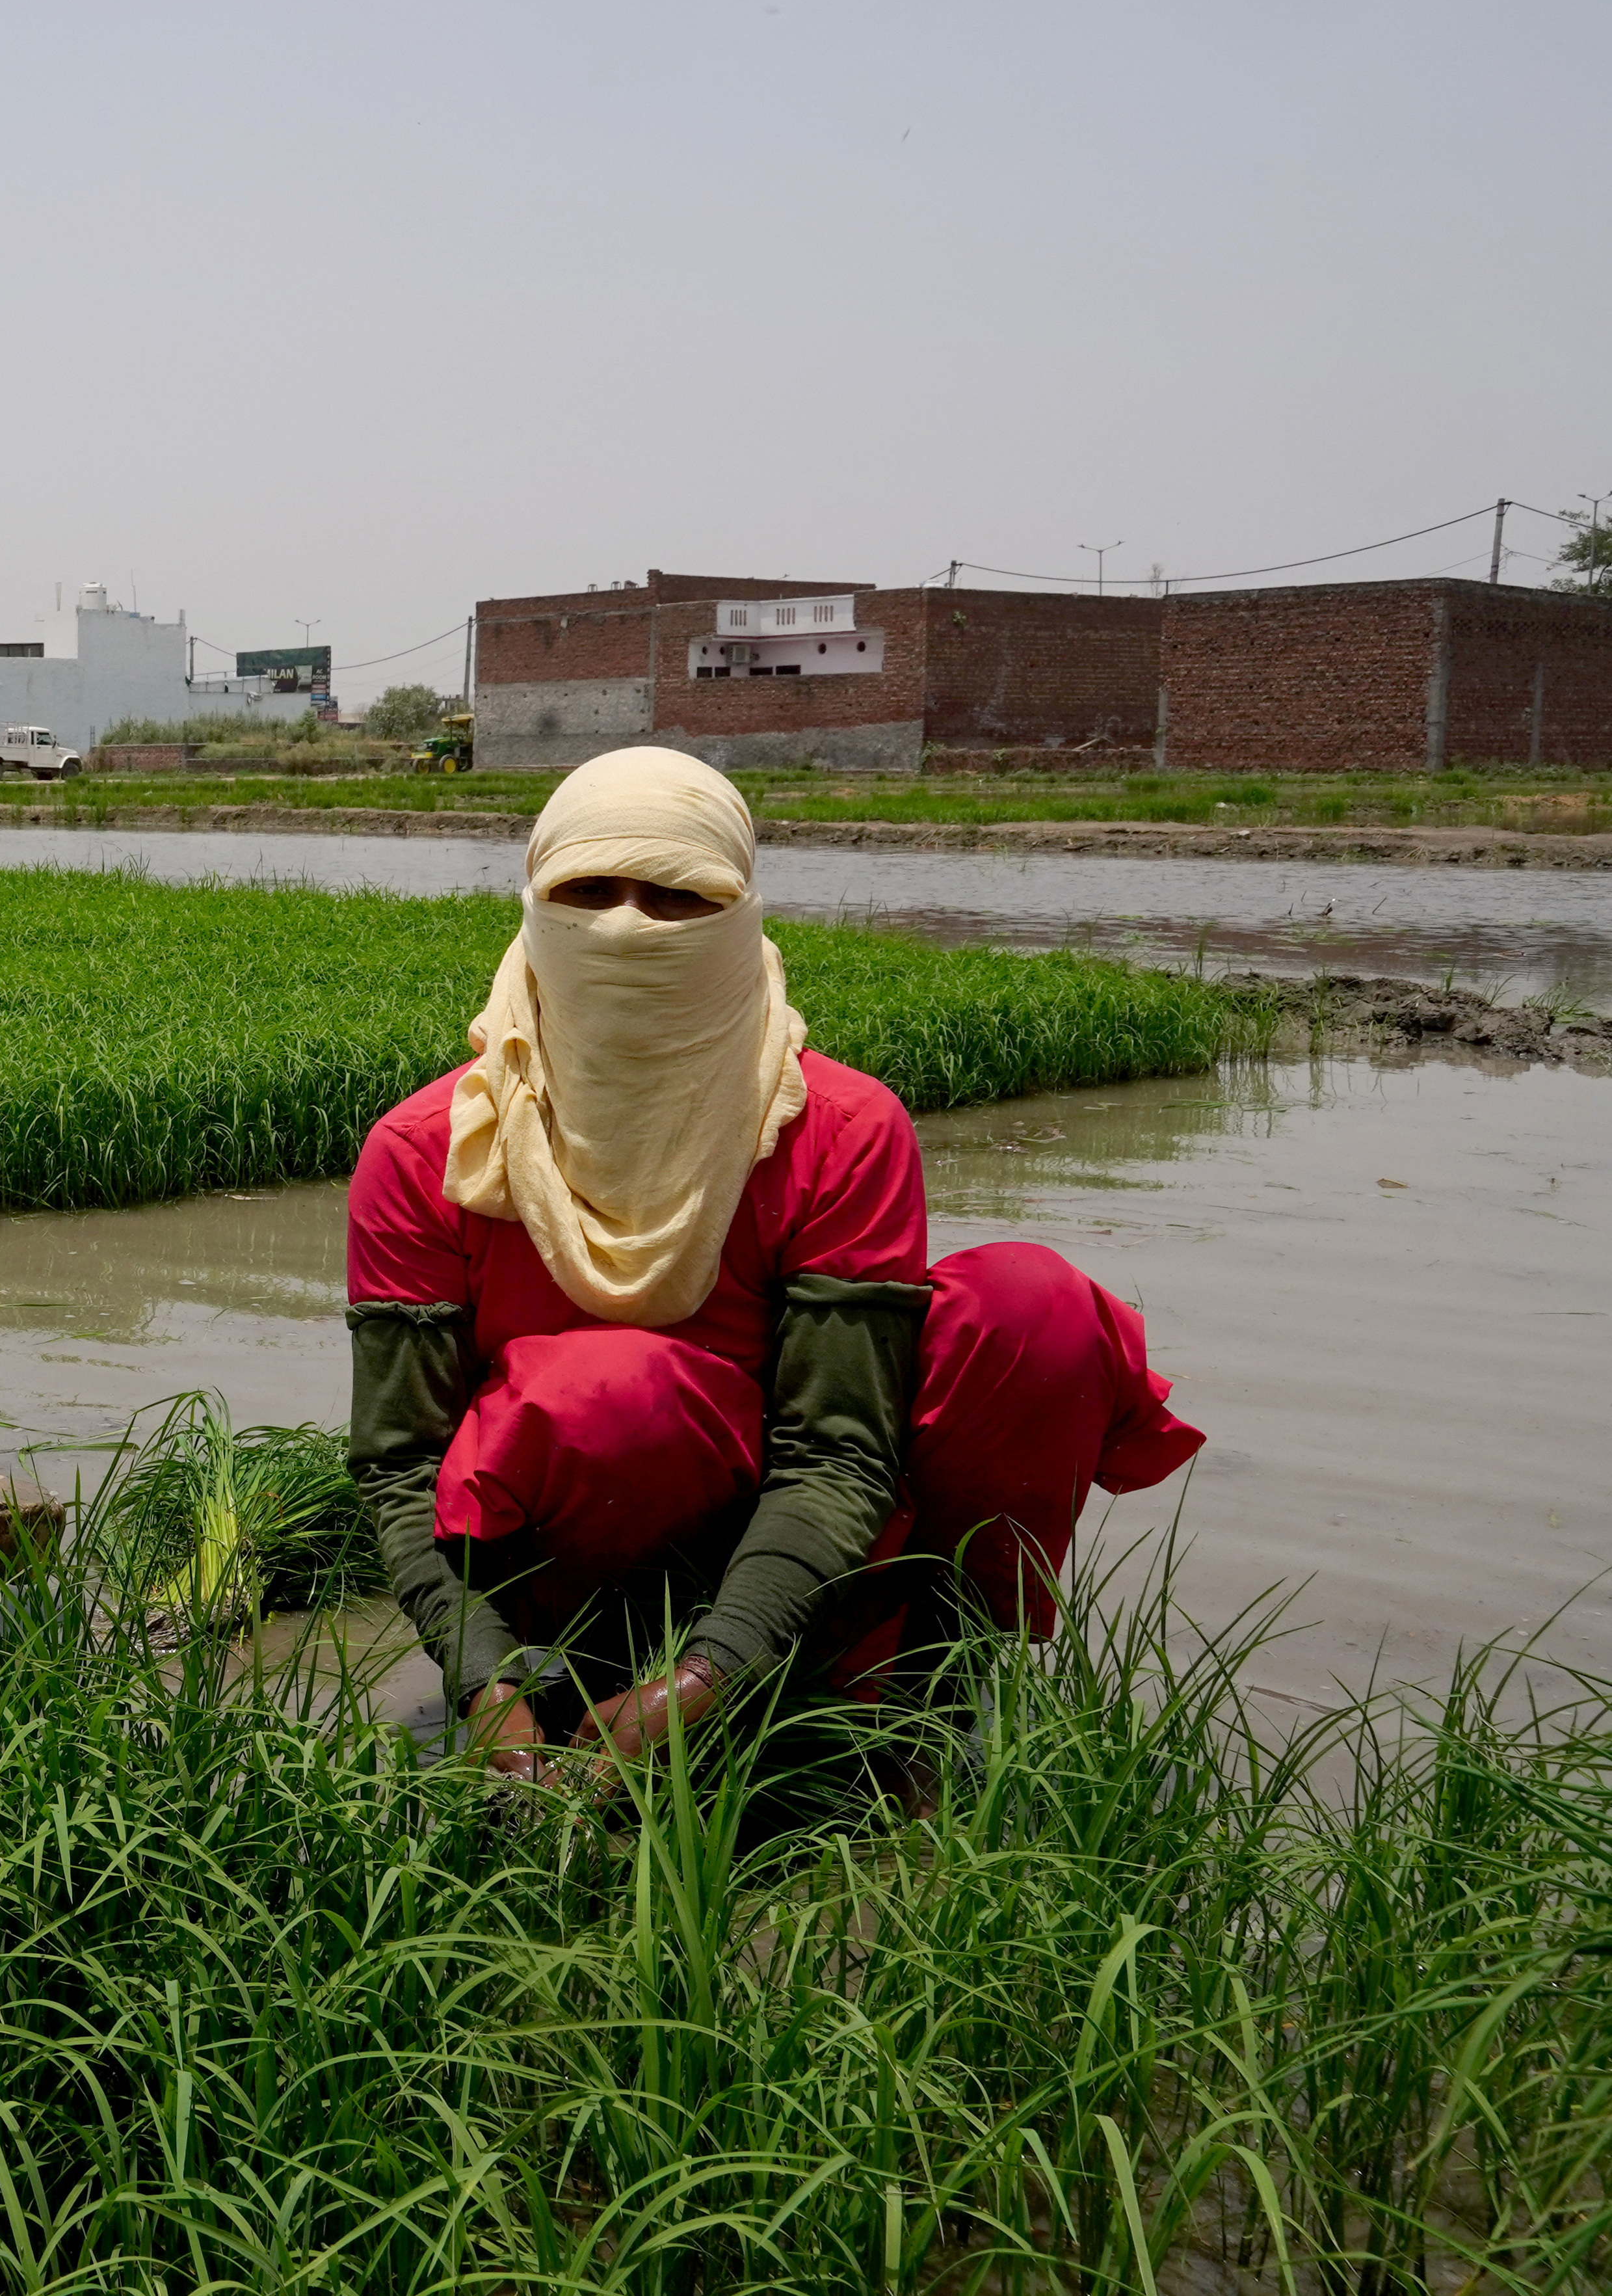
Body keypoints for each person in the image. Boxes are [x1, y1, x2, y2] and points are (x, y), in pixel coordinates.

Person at [347, 747, 1204, 1783]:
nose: (625, 924)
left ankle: (923, 1705)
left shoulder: (839, 1128)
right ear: (533, 902)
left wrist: (709, 1672)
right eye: (588, 890)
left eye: (675, 895)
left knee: (1030, 1310)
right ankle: (573, 1690)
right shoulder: (427, 1148)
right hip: (572, 1575)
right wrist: (485, 1681)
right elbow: (399, 1465)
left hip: (812, 1553)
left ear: (740, 911)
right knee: (609, 1388)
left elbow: (839, 1452)